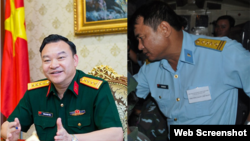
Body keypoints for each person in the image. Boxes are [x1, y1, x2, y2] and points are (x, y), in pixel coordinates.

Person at [131, 1, 250, 139]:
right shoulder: (151, 68)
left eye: (142, 38)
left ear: (164, 29)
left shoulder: (223, 53)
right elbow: (123, 95)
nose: (139, 46)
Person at [0, 34, 123, 141]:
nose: (53, 65)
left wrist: (72, 139)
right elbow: (6, 127)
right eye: (47, 60)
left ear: (75, 60)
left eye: (61, 58)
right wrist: (10, 133)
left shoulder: (96, 89)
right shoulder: (35, 93)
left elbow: (116, 135)